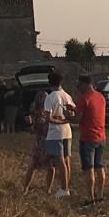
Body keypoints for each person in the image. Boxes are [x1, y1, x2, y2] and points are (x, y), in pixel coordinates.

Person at [71, 75, 106, 206]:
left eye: (79, 85)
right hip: (101, 136)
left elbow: (77, 119)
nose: (78, 88)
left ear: (85, 84)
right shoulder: (100, 97)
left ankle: (90, 197)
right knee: (99, 166)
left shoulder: (83, 98)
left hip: (87, 138)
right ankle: (100, 194)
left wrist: (67, 116)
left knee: (88, 169)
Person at [44, 71, 76, 199]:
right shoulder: (67, 96)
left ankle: (64, 188)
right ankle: (66, 185)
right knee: (67, 160)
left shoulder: (50, 97)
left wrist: (59, 120)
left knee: (60, 161)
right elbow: (73, 111)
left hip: (55, 132)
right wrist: (66, 119)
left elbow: (48, 118)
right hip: (67, 131)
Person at [22, 90, 54, 195]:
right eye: (43, 98)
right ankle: (25, 188)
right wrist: (29, 124)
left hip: (50, 140)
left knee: (51, 166)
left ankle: (48, 189)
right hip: (39, 142)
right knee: (32, 165)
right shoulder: (35, 113)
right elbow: (32, 130)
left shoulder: (51, 110)